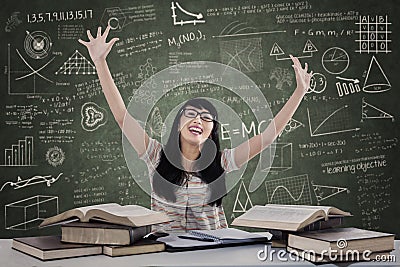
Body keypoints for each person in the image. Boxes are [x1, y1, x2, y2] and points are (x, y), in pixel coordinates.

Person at [79, 26, 313, 231]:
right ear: (178, 123)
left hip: (214, 251)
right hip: (166, 253)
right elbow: (122, 117)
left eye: (206, 118)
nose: (197, 120)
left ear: (212, 131)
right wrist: (100, 61)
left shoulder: (221, 162)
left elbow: (267, 137)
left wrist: (299, 92)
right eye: (190, 114)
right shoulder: (155, 155)